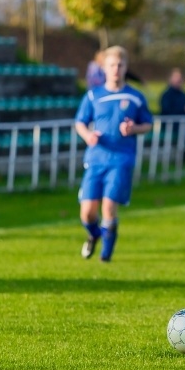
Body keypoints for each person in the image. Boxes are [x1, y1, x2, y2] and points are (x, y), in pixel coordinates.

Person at [75, 46, 153, 262]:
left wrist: (133, 129)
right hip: (96, 157)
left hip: (121, 159)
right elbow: (80, 123)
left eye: (120, 65)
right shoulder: (93, 95)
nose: (116, 69)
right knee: (87, 213)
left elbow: (148, 124)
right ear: (104, 68)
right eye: (112, 65)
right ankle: (94, 235)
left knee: (109, 206)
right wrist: (88, 135)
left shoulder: (135, 97)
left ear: (126, 67)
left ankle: (105, 257)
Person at [160, 67, 185, 146]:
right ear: (171, 79)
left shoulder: (183, 95)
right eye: (176, 78)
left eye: (180, 78)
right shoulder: (166, 95)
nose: (178, 80)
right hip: (171, 125)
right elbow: (166, 111)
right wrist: (183, 109)